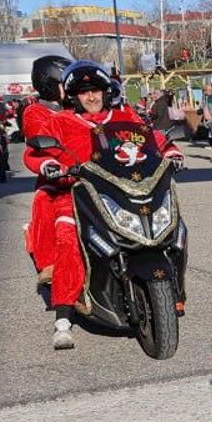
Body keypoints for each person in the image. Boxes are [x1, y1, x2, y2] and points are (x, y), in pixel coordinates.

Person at [23, 60, 183, 350]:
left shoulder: (124, 117)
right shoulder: (62, 121)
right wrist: (48, 163)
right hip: (76, 192)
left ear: (106, 92)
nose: (92, 97)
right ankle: (63, 316)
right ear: (73, 96)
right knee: (69, 236)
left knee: (173, 223)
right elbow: (37, 152)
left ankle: (176, 293)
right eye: (84, 93)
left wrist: (171, 151)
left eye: (96, 90)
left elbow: (154, 138)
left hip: (125, 190)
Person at [21, 54, 73, 282]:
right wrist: (55, 165)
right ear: (49, 84)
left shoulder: (76, 107)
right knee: (43, 200)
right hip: (57, 177)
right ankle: (49, 263)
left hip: (92, 172)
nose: (71, 88)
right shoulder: (35, 112)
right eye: (65, 83)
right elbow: (39, 140)